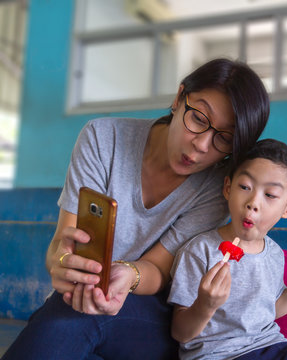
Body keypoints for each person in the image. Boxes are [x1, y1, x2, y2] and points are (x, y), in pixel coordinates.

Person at [2, 58, 270, 360]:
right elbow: (62, 244)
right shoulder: (104, 140)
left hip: (159, 319)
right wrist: (62, 263)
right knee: (76, 307)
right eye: (198, 119)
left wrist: (127, 275)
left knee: (82, 315)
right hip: (79, 298)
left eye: (224, 138)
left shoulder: (215, 189)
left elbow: (157, 268)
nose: (202, 145)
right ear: (178, 99)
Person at [169, 139, 287, 360]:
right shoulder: (199, 251)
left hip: (271, 346)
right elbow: (180, 333)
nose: (253, 202)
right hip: (220, 355)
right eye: (244, 187)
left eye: (269, 195)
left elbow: (272, 310)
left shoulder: (274, 254)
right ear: (227, 188)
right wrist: (205, 306)